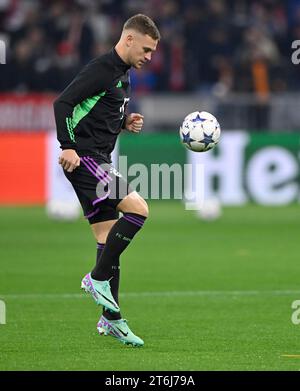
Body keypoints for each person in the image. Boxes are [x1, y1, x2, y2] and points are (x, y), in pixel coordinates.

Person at [53, 14, 160, 347]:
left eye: (152, 52)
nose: (149, 57)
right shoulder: (102, 68)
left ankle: (111, 320)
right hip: (85, 158)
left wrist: (123, 122)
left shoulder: (122, 75)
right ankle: (97, 278)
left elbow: (95, 112)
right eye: (145, 49)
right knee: (139, 210)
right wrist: (67, 145)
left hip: (96, 157)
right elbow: (64, 102)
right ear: (128, 39)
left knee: (106, 237)